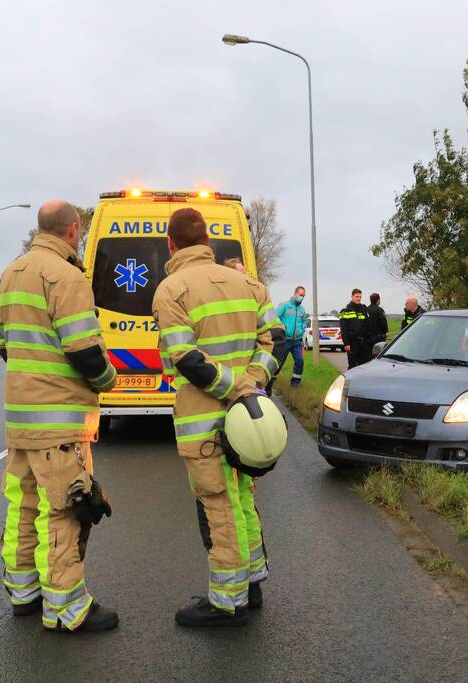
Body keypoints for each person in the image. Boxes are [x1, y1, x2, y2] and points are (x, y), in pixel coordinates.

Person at [0, 200, 119, 632]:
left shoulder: (11, 273)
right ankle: (66, 609)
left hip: (20, 418)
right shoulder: (67, 276)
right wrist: (108, 380)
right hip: (60, 422)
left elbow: (2, 343)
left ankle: (24, 592)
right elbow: (84, 348)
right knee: (66, 509)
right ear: (72, 230)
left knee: (22, 505)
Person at [152, 208, 280, 627]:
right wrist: (253, 382)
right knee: (243, 499)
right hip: (250, 418)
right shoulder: (251, 285)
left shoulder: (171, 289)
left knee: (218, 508)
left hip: (206, 423)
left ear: (171, 244)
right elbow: (273, 342)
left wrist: (232, 388)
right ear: (207, 240)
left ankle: (227, 602)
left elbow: (186, 358)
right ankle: (252, 584)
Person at [268, 286, 308, 392]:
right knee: (279, 363)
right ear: (295, 294)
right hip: (284, 340)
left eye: (303, 296)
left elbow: (304, 322)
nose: (302, 298)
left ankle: (295, 383)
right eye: (300, 295)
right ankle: (268, 385)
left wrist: (302, 328)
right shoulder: (284, 305)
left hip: (297, 341)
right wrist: (282, 328)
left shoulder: (302, 310)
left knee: (300, 361)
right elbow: (275, 318)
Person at [340, 289, 371, 368]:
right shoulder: (346, 311)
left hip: (364, 343)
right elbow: (344, 329)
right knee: (352, 366)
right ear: (352, 296)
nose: (358, 298)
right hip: (352, 343)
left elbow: (368, 325)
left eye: (360, 297)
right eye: (356, 296)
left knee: (364, 366)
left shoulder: (364, 310)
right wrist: (346, 343)